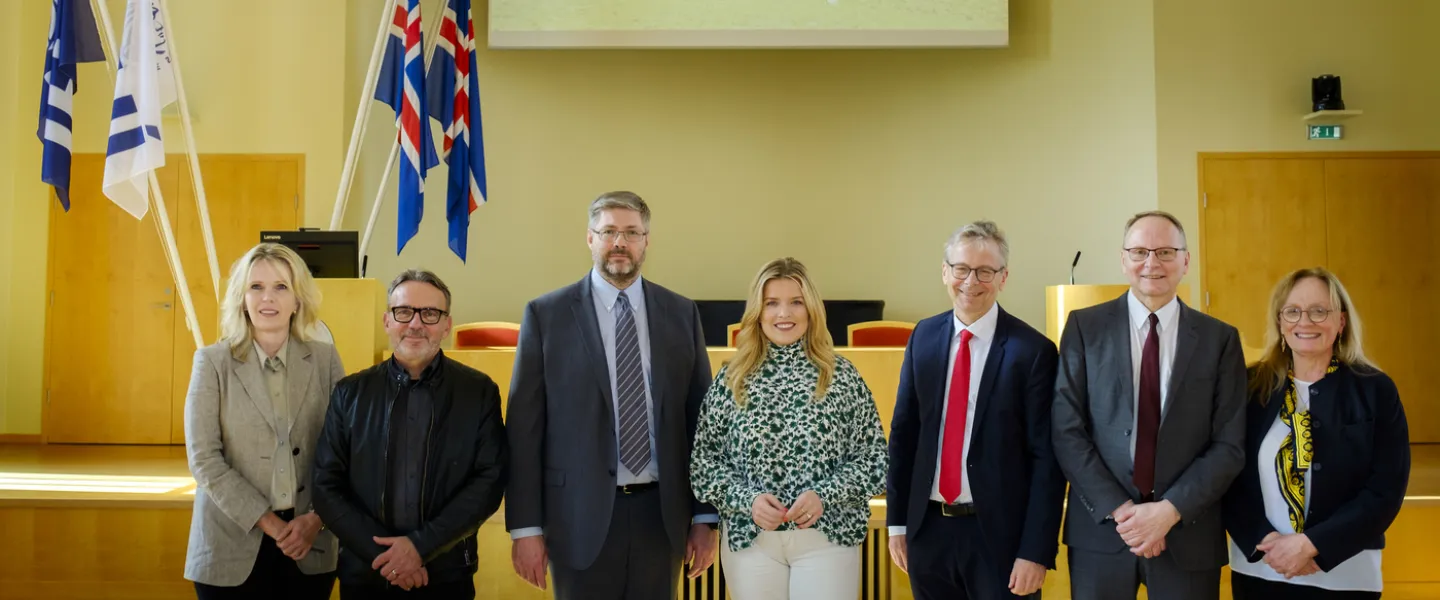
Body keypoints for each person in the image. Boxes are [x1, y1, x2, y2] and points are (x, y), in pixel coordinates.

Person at [506, 191, 719, 600]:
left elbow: (701, 424)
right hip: (575, 518)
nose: (619, 242)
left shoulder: (681, 313)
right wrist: (526, 527)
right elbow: (524, 431)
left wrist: (705, 516)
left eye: (631, 233)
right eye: (608, 232)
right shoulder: (545, 315)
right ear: (590, 238)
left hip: (662, 515)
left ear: (646, 241)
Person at [1051, 210, 1247, 600]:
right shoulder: (1083, 328)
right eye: (1139, 251)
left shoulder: (1219, 339)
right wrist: (1124, 513)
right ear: (1123, 259)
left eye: (1165, 251)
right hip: (1103, 532)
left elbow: (1229, 445)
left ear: (1186, 261)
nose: (1151, 263)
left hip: (1187, 534)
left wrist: (1168, 512)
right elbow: (1066, 430)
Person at [690, 257, 889, 600]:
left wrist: (824, 495)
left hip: (827, 540)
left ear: (811, 310)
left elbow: (875, 462)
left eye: (796, 302)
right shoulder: (731, 379)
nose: (784, 314)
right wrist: (747, 500)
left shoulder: (840, 376)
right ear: (758, 311)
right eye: (772, 303)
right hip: (751, 542)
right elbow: (703, 465)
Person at [886, 221, 1065, 599]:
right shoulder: (923, 336)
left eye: (985, 271)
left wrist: (1035, 551)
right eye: (961, 269)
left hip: (1000, 540)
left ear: (1003, 277)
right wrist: (898, 525)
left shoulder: (1033, 352)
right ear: (945, 272)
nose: (971, 281)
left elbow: (1046, 459)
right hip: (928, 533)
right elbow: (904, 436)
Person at [313, 270, 508, 599]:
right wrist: (388, 559)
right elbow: (325, 484)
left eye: (430, 313)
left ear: (446, 325)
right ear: (387, 321)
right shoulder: (350, 393)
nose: (416, 324)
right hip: (367, 574)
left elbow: (489, 482)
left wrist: (419, 548)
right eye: (404, 312)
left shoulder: (479, 392)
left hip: (445, 575)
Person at [1222, 268, 1409, 600]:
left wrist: (1313, 546)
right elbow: (1228, 474)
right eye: (1292, 311)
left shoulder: (1375, 389)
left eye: (1319, 311)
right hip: (1261, 570)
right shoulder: (1250, 386)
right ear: (1280, 322)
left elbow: (1386, 488)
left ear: (1341, 322)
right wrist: (1269, 544)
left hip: (1346, 574)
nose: (1304, 322)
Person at [183, 242, 344, 599]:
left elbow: (343, 451)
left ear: (298, 300)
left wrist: (316, 518)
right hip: (230, 545)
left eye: (280, 287)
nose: (267, 298)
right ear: (242, 298)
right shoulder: (211, 363)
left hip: (310, 542)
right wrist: (272, 525)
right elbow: (204, 460)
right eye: (256, 287)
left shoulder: (325, 359)